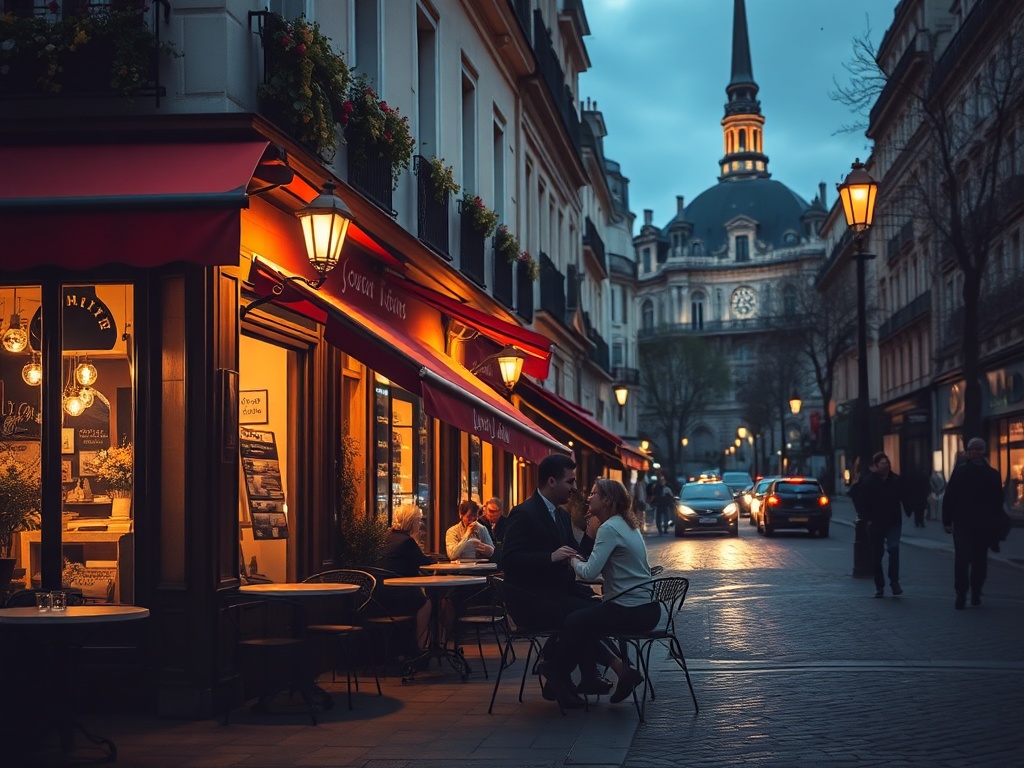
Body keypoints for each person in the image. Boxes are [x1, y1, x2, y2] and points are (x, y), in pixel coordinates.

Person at [545, 478, 659, 705]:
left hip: (628, 609)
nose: (588, 497)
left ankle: (555, 670)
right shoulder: (627, 524)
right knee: (586, 620)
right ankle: (619, 672)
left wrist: (570, 559)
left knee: (574, 621)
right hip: (646, 608)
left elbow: (587, 572)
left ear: (606, 500)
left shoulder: (609, 528)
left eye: (594, 494)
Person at [502, 454, 596, 708]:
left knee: (596, 610)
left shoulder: (563, 516)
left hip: (557, 595)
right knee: (588, 616)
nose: (575, 488)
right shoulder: (524, 513)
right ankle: (563, 672)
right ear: (551, 481)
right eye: (570, 481)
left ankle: (563, 671)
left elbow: (577, 553)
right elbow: (508, 559)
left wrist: (590, 531)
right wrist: (549, 557)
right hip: (531, 600)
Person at [942, 438, 1003, 609]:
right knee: (979, 559)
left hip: (963, 523)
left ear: (969, 452)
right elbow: (998, 502)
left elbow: (949, 497)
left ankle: (962, 592)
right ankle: (975, 591)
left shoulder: (960, 472)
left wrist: (947, 521)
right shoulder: (992, 474)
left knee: (962, 558)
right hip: (982, 524)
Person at [377, 504, 435, 649]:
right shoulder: (407, 541)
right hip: (394, 595)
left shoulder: (386, 537)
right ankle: (422, 647)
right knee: (425, 603)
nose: (420, 524)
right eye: (419, 521)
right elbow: (425, 565)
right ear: (413, 522)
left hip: (376, 595)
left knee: (420, 594)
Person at [861, 451, 911, 597]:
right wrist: (867, 519)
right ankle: (880, 586)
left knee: (894, 548)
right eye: (882, 464)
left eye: (887, 464)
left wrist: (909, 509)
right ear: (876, 466)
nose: (885, 466)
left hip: (893, 521)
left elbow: (904, 495)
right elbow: (863, 501)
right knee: (877, 555)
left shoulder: (895, 479)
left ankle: (894, 581)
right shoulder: (869, 481)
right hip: (876, 522)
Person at [480, 497, 508, 565]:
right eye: (491, 511)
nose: (493, 514)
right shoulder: (480, 523)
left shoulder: (507, 523)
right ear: (486, 510)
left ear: (501, 511)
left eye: (496, 511)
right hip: (484, 560)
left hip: (502, 560)